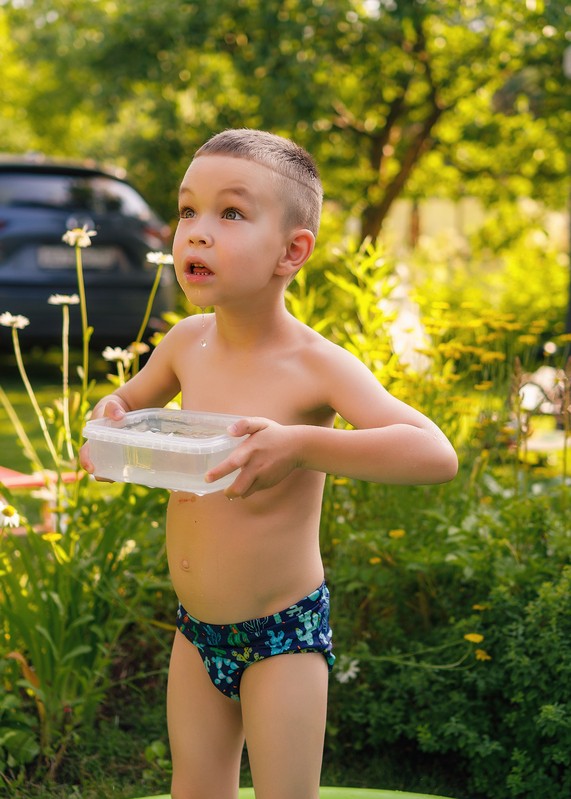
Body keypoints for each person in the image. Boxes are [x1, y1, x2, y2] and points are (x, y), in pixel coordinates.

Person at [80, 128, 458, 799]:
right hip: (196, 630)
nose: (195, 232)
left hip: (281, 633)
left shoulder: (314, 363)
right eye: (187, 209)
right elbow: (128, 401)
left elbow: (434, 453)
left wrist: (303, 444)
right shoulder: (185, 343)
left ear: (292, 250)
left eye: (230, 212)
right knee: (195, 788)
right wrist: (110, 426)